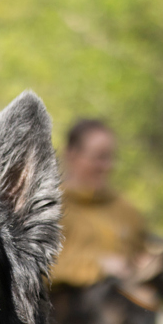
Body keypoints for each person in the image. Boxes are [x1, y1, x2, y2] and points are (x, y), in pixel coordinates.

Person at [48, 119, 148, 290]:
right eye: (98, 158)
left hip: (123, 301)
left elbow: (141, 255)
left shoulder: (126, 210)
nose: (106, 167)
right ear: (71, 154)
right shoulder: (48, 208)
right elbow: (35, 269)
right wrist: (98, 267)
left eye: (110, 158)